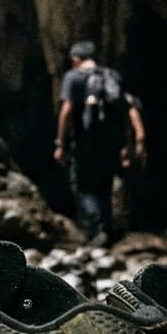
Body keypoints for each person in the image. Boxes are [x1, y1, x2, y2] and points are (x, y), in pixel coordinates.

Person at [53, 40, 146, 244]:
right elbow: (126, 112)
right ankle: (107, 230)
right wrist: (130, 144)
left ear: (76, 58)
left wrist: (60, 143)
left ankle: (96, 230)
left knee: (83, 186)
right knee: (105, 185)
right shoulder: (112, 76)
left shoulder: (73, 77)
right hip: (111, 142)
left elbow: (67, 110)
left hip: (85, 140)